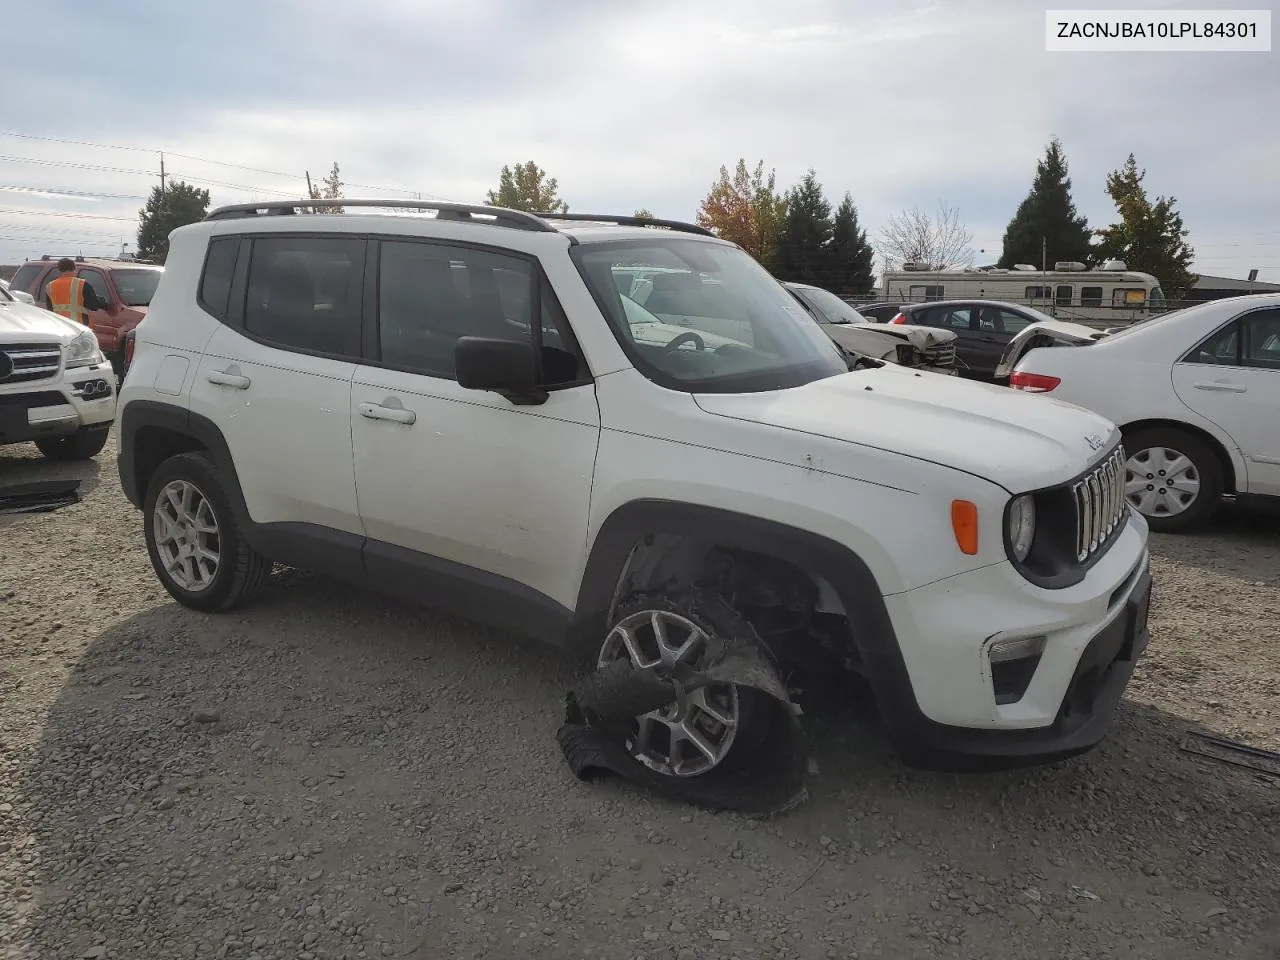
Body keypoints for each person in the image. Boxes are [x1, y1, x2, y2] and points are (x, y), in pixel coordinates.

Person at [43, 259, 110, 324]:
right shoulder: (82, 284)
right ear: (73, 268)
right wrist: (104, 304)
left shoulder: (50, 286)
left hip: (59, 326)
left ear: (60, 270)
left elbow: (50, 308)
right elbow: (93, 305)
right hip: (78, 326)